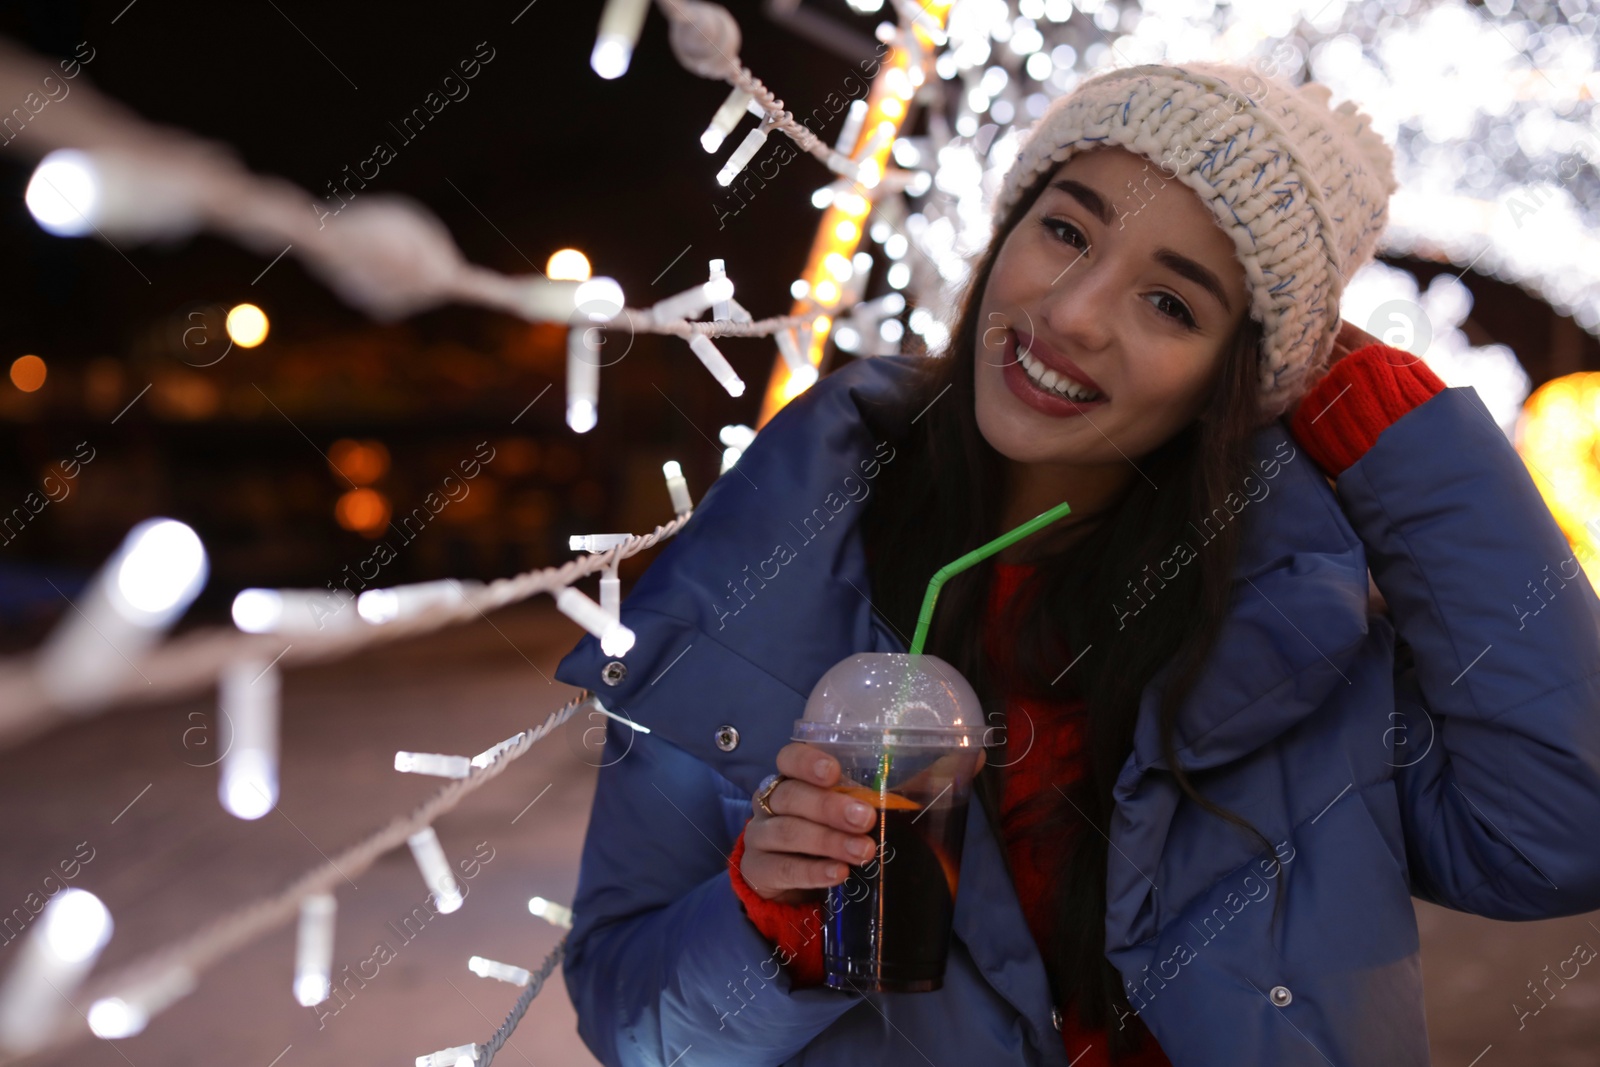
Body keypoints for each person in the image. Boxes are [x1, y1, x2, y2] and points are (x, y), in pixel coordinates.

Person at [553, 59, 1600, 1067]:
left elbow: (1561, 829)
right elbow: (640, 1027)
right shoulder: (768, 578)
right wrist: (766, 917)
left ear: (1232, 380)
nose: (1072, 314)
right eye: (1065, 231)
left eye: (1171, 304)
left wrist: (1399, 436)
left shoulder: (1294, 636)